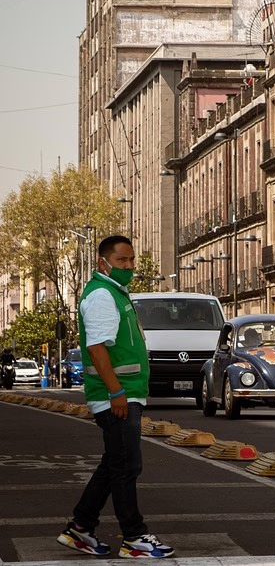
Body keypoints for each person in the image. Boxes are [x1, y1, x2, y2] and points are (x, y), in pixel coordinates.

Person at [57, 235, 174, 559]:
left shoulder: (116, 294)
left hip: (125, 395)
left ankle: (80, 528)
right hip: (115, 397)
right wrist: (117, 392)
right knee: (126, 466)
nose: (129, 266)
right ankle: (134, 537)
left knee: (115, 464)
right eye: (123, 261)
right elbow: (96, 349)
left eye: (132, 260)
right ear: (103, 263)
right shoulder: (101, 296)